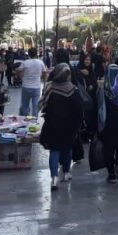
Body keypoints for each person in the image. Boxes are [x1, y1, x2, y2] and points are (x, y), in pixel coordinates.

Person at [38, 63, 83, 191]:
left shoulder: (49, 87)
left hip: (52, 124)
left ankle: (54, 180)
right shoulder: (73, 89)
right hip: (68, 126)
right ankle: (66, 173)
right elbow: (79, 110)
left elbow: (42, 104)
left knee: (54, 151)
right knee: (67, 149)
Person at [17, 47, 47, 117]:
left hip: (26, 86)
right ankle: (34, 121)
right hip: (36, 87)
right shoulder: (40, 62)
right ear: (36, 54)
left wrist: (21, 77)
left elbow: (18, 71)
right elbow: (45, 73)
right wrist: (41, 78)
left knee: (25, 105)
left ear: (29, 54)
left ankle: (24, 119)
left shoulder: (25, 62)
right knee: (35, 105)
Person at [76, 54, 98, 138]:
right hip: (81, 98)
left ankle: (90, 133)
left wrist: (92, 85)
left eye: (89, 60)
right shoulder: (78, 68)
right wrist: (81, 72)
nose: (87, 61)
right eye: (86, 60)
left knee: (90, 116)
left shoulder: (92, 70)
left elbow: (94, 82)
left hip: (90, 97)